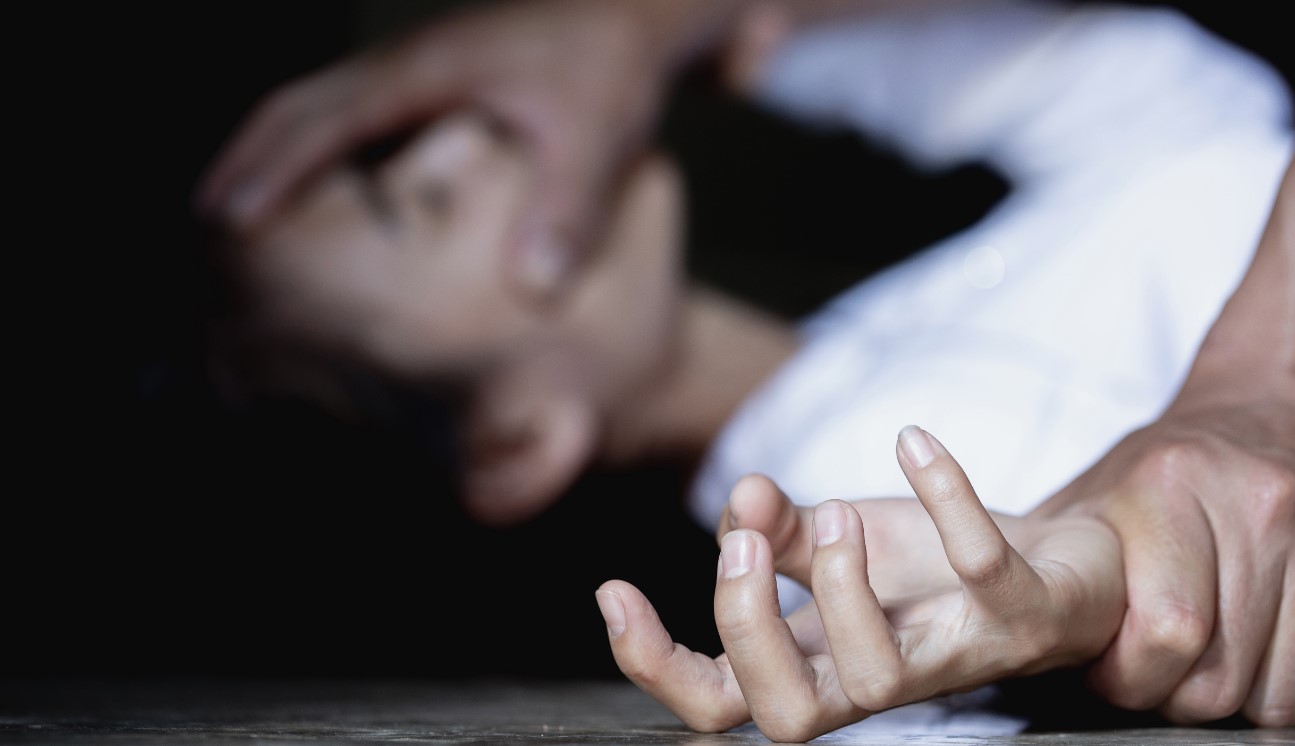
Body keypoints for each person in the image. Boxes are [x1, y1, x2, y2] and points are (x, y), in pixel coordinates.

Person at [209, 0, 1294, 733]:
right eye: (423, 206)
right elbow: (1171, 572)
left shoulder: (916, 305)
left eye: (419, 141)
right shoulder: (850, 514)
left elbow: (1145, 84)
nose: (471, 136)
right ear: (516, 440)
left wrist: (681, 29)